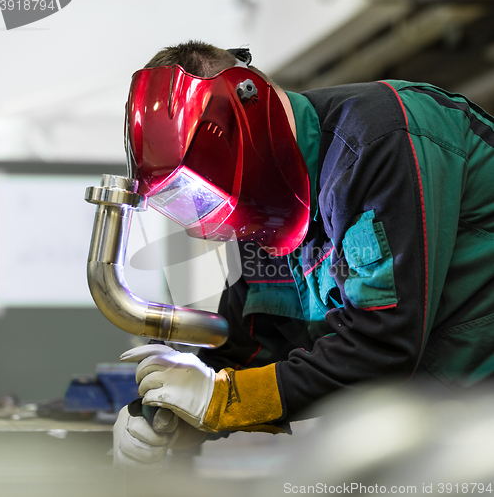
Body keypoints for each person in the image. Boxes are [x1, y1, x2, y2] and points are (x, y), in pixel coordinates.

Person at [113, 40, 494, 466]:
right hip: (421, 432)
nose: (213, 223)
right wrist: (168, 415)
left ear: (247, 110)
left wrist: (222, 399)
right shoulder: (263, 203)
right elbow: (251, 344)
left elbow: (384, 343)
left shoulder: (378, 140)